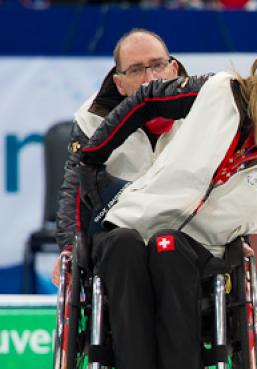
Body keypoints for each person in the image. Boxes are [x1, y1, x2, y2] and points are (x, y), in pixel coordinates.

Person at [78, 32, 257, 369]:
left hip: (202, 249)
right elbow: (146, 100)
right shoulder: (221, 91)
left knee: (170, 248)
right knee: (123, 247)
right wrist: (94, 155)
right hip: (135, 217)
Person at [52, 29, 185, 286]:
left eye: (158, 65)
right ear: (119, 83)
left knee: (171, 246)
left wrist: (238, 241)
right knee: (124, 244)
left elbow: (225, 179)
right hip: (119, 234)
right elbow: (74, 189)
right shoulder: (93, 119)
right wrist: (69, 248)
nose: (150, 79)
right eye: (136, 70)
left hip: (186, 233)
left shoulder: (204, 109)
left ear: (173, 69)